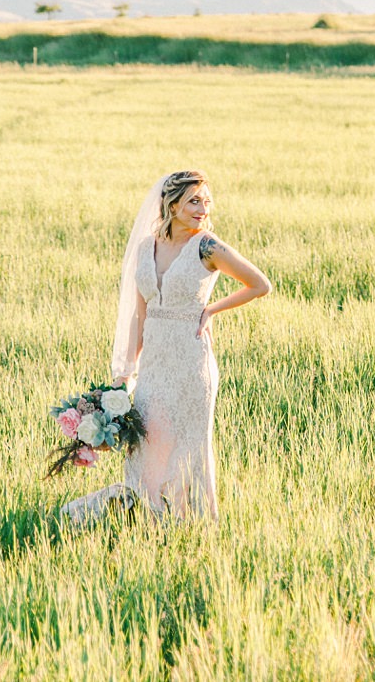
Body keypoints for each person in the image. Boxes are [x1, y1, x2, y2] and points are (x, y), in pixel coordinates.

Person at [63, 170, 272, 523]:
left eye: (207, 201)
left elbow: (259, 284)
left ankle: (190, 521)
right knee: (149, 441)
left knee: (188, 443)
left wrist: (211, 309)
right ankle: (147, 515)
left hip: (191, 360)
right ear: (172, 205)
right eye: (194, 201)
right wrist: (124, 375)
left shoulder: (208, 246)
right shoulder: (147, 248)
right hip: (155, 365)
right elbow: (138, 319)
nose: (202, 208)